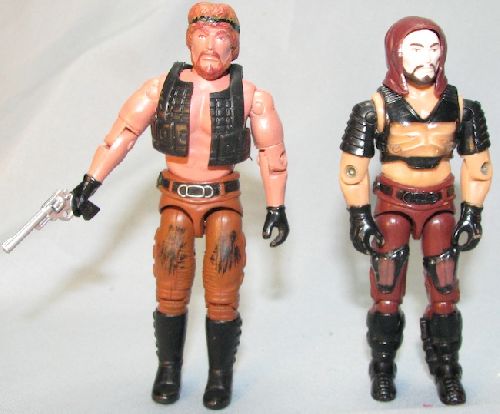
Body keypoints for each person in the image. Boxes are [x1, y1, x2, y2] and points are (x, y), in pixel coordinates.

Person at [71, 2, 289, 410]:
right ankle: (168, 368)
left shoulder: (251, 96)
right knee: (170, 284)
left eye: (221, 37)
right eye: (202, 35)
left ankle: (220, 375)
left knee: (223, 286)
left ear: (234, 47)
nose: (211, 45)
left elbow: (271, 153)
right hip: (176, 197)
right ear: (189, 41)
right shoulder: (160, 89)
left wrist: (276, 207)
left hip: (222, 199)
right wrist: (90, 181)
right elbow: (122, 133)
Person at [339, 16, 491, 405]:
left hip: (440, 206)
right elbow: (353, 169)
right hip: (393, 205)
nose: (428, 57)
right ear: (397, 53)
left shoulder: (461, 107)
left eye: (434, 48)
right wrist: (359, 215)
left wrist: (472, 212)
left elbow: (478, 166)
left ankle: (447, 368)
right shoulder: (374, 108)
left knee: (445, 291)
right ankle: (383, 368)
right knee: (386, 290)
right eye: (417, 48)